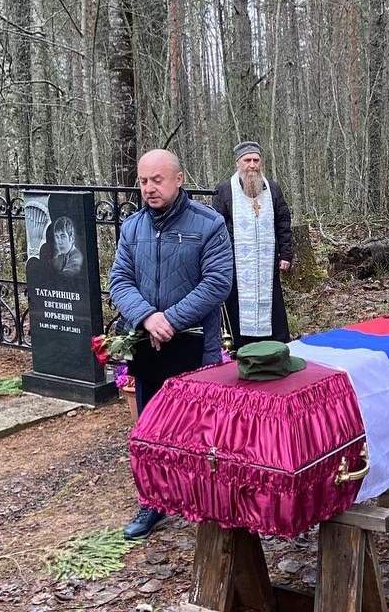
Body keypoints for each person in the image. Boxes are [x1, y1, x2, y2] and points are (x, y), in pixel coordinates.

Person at [109, 149, 233, 539]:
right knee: (151, 428)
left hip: (195, 348)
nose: (149, 188)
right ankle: (154, 503)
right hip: (149, 346)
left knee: (198, 429)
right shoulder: (132, 227)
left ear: (178, 179)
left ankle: (203, 500)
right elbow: (119, 281)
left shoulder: (209, 224)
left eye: (157, 180)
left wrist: (171, 319)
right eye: (144, 181)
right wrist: (148, 317)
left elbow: (217, 283)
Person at [212, 141, 294, 347]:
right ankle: (241, 345)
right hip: (236, 263)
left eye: (256, 160)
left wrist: (286, 254)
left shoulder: (272, 188)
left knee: (272, 303)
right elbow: (216, 226)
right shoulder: (225, 190)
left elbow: (283, 222)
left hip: (266, 263)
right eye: (247, 160)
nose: (252, 165)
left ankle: (275, 344)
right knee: (236, 306)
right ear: (238, 163)